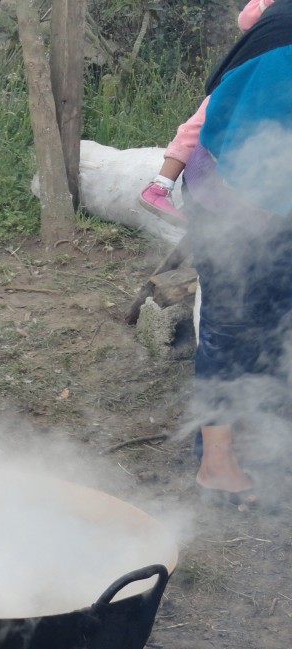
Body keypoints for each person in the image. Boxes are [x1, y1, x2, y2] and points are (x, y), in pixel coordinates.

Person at [181, 0, 292, 506]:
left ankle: (263, 435)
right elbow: (240, 136)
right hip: (230, 190)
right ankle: (215, 465)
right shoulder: (284, 36)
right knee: (231, 323)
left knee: (278, 319)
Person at [139, 0, 276, 225]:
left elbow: (245, 20)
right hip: (253, 70)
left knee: (201, 120)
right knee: (206, 115)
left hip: (260, 70)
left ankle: (162, 184)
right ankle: (161, 185)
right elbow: (246, 20)